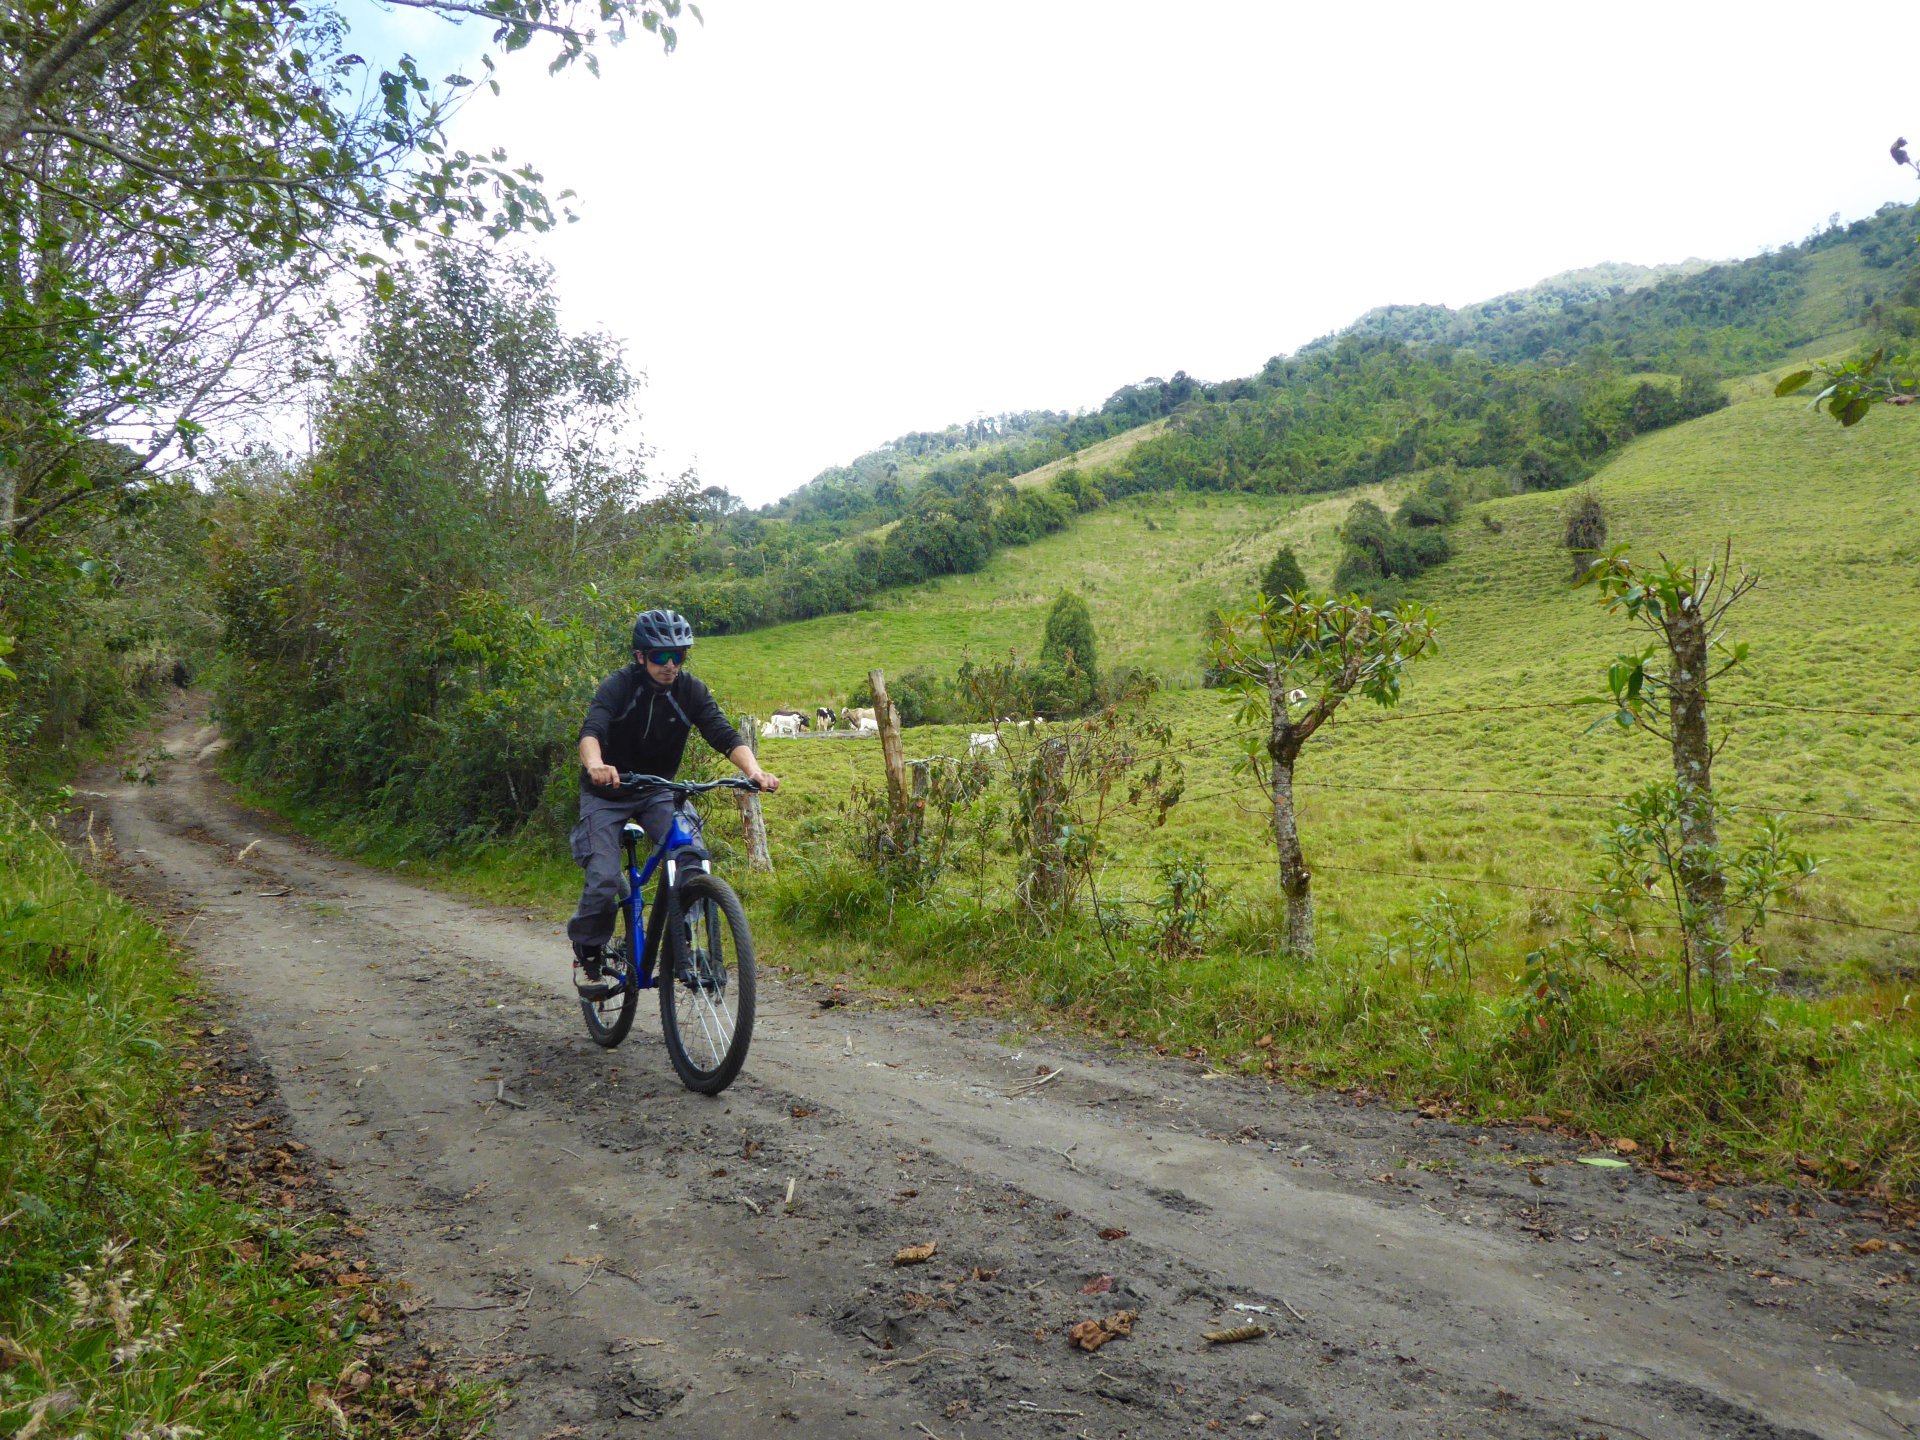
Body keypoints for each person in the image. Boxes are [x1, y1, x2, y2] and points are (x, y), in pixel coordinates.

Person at [569, 608, 778, 992]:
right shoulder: (619, 686)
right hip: (607, 793)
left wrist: (754, 771)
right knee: (602, 881)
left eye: (678, 656)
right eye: (661, 656)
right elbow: (592, 728)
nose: (670, 666)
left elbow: (724, 734)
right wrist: (596, 764)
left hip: (657, 790)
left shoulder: (690, 691)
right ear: (640, 657)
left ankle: (680, 933)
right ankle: (589, 946)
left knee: (692, 857)